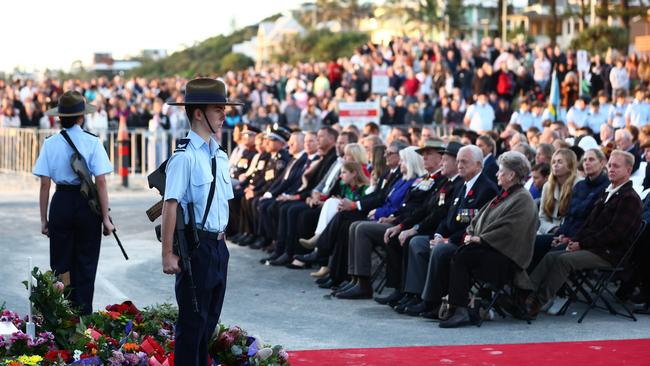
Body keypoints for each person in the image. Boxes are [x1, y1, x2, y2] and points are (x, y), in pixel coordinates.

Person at [161, 78, 239, 366]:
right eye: (218, 109)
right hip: (198, 248)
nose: (223, 114)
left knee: (208, 326)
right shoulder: (184, 157)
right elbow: (170, 205)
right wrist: (167, 254)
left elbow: (223, 203)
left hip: (218, 247)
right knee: (192, 327)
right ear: (198, 113)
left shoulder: (219, 155)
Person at [526, 150, 643, 317]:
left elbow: (613, 235)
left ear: (628, 170)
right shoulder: (608, 193)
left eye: (616, 166)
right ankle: (525, 293)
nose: (611, 169)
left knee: (563, 260)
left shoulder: (629, 198)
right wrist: (574, 240)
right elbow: (589, 224)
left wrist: (581, 244)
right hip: (594, 246)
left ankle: (536, 301)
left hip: (610, 254)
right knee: (551, 255)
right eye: (609, 165)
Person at [32, 91, 114, 315]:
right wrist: (105, 218)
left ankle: (62, 316)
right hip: (87, 204)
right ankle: (83, 319)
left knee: (61, 263)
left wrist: (43, 219)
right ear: (81, 117)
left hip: (61, 202)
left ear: (60, 117)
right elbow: (101, 182)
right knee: (86, 262)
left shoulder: (50, 144)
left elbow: (44, 185)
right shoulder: (92, 142)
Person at [439, 151, 538, 328]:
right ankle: (453, 305)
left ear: (511, 175)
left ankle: (460, 309)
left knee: (462, 256)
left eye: (500, 171)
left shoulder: (523, 198)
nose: (496, 174)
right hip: (492, 250)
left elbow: (510, 230)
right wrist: (471, 234)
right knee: (460, 253)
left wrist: (481, 239)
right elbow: (477, 218)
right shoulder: (504, 194)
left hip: (508, 259)